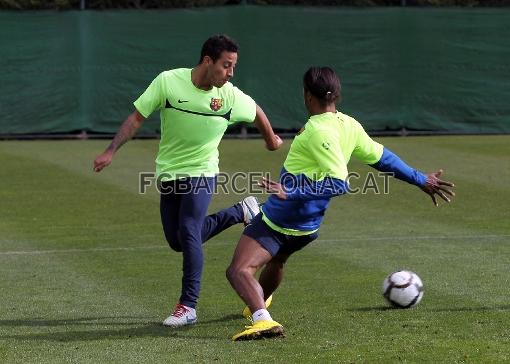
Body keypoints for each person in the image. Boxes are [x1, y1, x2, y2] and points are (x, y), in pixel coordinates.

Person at [226, 66, 455, 341]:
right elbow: (383, 159)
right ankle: (259, 301)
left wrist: (293, 192)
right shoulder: (348, 125)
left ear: (308, 96)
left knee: (238, 269)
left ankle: (262, 320)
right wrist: (421, 180)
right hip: (308, 226)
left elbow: (339, 183)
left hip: (283, 216)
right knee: (277, 260)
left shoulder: (317, 131)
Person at [93, 34, 282, 328]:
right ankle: (240, 212)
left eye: (234, 67)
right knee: (178, 240)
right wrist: (110, 150)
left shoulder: (229, 95)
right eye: (226, 65)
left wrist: (271, 139)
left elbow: (255, 110)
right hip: (169, 173)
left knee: (190, 230)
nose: (231, 73)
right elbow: (136, 118)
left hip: (203, 172)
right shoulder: (168, 82)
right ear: (208, 61)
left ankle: (188, 306)